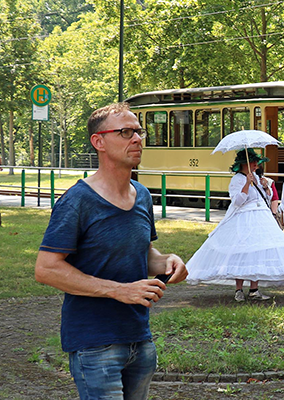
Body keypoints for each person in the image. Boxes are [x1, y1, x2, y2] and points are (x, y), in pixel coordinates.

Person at [34, 102, 189, 400]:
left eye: (139, 132)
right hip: (95, 344)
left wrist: (167, 262)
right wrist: (119, 290)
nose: (137, 139)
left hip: (139, 339)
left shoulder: (142, 195)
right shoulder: (77, 201)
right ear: (98, 142)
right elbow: (46, 269)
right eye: (125, 132)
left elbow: (143, 255)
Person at [185, 148, 284, 301]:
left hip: (260, 217)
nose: (256, 166)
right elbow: (238, 201)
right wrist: (247, 184)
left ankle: (254, 289)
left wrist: (265, 187)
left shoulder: (256, 176)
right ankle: (239, 289)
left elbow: (265, 198)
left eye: (256, 163)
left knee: (257, 251)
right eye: (254, 163)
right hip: (243, 218)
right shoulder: (237, 179)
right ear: (244, 164)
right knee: (240, 251)